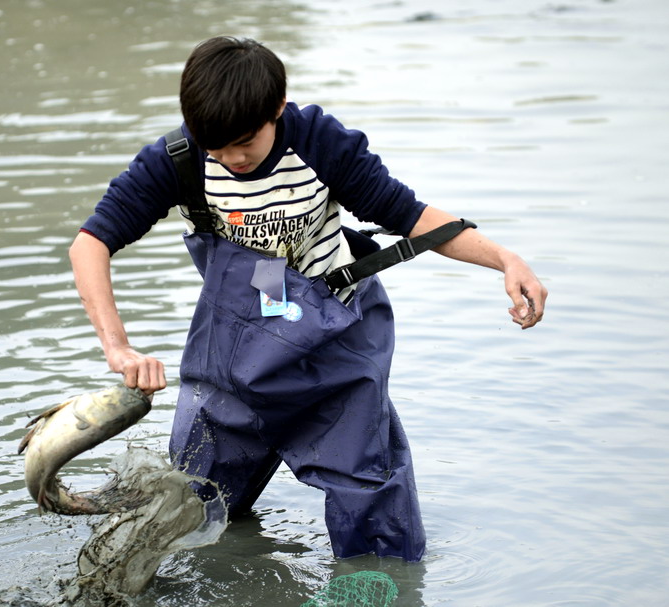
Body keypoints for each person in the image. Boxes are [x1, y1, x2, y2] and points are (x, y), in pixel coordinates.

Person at [68, 36, 547, 562]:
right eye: (216, 148)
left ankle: (378, 583)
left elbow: (411, 217)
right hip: (236, 353)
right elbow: (91, 243)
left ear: (277, 109)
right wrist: (119, 348)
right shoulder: (178, 160)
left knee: (370, 499)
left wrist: (505, 259)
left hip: (336, 341)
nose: (231, 159)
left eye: (244, 143)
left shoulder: (321, 144)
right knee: (193, 506)